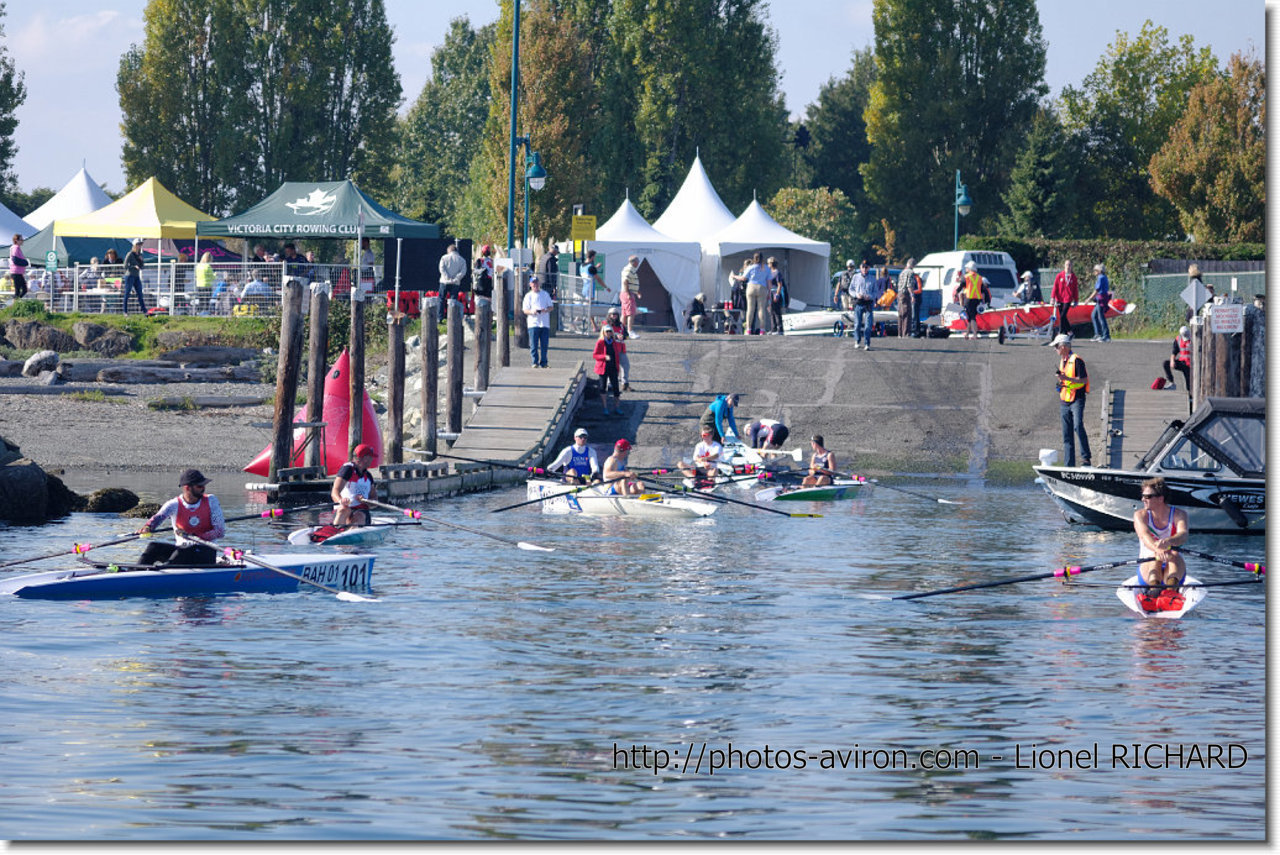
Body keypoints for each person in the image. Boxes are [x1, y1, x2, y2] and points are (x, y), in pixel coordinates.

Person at [136, 469, 226, 566]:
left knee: (183, 551)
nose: (203, 488)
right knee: (153, 547)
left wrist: (195, 536)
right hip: (181, 550)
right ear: (187, 488)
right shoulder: (173, 504)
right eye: (199, 486)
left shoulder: (211, 501)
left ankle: (166, 571)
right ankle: (134, 573)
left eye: (204, 485)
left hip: (205, 551)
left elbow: (220, 531)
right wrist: (148, 527)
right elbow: (158, 518)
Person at [1133, 477, 1189, 611]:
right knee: (1155, 557)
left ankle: (1169, 593)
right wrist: (1157, 549)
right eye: (1143, 496)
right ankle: (1154, 592)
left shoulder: (1179, 514)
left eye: (1147, 496)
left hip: (1173, 566)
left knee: (1173, 555)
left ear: (1160, 498)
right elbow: (1144, 535)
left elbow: (1183, 534)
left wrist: (1169, 541)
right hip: (1148, 568)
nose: (1143, 500)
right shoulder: (1140, 515)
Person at [1052, 333, 1091, 468]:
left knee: (1078, 426)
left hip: (1077, 399)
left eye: (1056, 346)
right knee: (1066, 434)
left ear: (1063, 347)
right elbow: (1066, 379)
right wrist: (1060, 382)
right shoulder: (1063, 360)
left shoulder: (1077, 360)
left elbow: (1084, 380)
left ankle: (1086, 459)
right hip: (1064, 400)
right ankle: (1069, 465)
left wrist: (1066, 380)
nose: (1055, 349)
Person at [332, 443, 378, 527]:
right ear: (365, 458)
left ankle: (349, 533)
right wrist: (340, 500)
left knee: (359, 516)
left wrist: (366, 501)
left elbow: (375, 501)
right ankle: (335, 531)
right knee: (343, 510)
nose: (372, 459)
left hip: (361, 510)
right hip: (343, 509)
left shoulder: (368, 476)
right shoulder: (347, 469)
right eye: (370, 457)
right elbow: (335, 491)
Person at [733, 251, 771, 334]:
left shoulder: (751, 267)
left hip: (751, 287)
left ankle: (748, 329)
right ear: (762, 258)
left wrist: (734, 276)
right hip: (762, 288)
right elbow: (769, 282)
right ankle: (762, 330)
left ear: (754, 258)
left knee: (750, 309)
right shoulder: (766, 268)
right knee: (761, 310)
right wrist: (769, 293)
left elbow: (743, 278)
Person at [523, 275, 554, 368]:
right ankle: (534, 362)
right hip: (533, 323)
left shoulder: (545, 294)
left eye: (536, 282)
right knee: (534, 345)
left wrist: (545, 310)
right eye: (533, 283)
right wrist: (532, 311)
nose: (535, 285)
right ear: (530, 284)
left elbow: (551, 307)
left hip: (544, 323)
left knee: (544, 345)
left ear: (539, 283)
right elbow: (525, 310)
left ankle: (544, 362)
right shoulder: (528, 296)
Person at [593, 324, 622, 415]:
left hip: (613, 367)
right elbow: (595, 355)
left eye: (610, 331)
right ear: (603, 333)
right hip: (603, 368)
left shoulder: (614, 342)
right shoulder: (600, 342)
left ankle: (617, 407)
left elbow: (617, 355)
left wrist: (618, 369)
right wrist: (604, 357)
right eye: (607, 331)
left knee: (616, 388)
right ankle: (605, 408)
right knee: (603, 387)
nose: (609, 333)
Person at [847, 260, 876, 349]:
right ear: (860, 268)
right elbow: (850, 289)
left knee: (868, 325)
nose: (864, 268)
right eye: (863, 267)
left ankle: (867, 343)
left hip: (868, 304)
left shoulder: (872, 278)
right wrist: (856, 294)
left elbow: (876, 292)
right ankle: (857, 340)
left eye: (866, 267)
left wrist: (870, 296)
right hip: (859, 303)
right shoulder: (856, 277)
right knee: (857, 324)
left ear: (869, 268)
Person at [604, 307, 632, 391]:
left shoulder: (621, 325)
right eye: (612, 314)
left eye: (615, 314)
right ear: (609, 315)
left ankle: (625, 384)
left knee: (626, 366)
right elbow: (606, 334)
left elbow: (627, 335)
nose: (614, 316)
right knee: (611, 367)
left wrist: (624, 336)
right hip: (611, 349)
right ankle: (610, 385)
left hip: (621, 349)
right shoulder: (606, 324)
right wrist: (616, 336)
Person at [1051, 259, 1079, 339]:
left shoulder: (1073, 277)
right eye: (1067, 264)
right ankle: (1069, 331)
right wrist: (1052, 297)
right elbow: (1055, 287)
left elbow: (1075, 290)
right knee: (1062, 316)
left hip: (1068, 299)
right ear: (1064, 265)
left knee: (1063, 315)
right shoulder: (1059, 275)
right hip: (1059, 298)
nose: (1068, 266)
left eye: (1070, 265)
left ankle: (1061, 331)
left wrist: (1076, 300)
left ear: (1071, 266)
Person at [957, 260, 984, 341]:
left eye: (966, 268)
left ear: (969, 268)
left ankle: (975, 335)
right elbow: (982, 289)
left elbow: (961, 286)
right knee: (970, 317)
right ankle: (967, 333)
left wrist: (956, 293)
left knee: (972, 318)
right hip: (977, 299)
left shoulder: (966, 277)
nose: (965, 269)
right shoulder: (979, 277)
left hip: (969, 299)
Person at [898, 258, 922, 337]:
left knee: (901, 314)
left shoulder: (902, 272)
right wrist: (912, 295)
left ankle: (900, 333)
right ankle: (905, 334)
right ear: (913, 265)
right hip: (905, 294)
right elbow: (909, 285)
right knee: (907, 314)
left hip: (899, 294)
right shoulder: (911, 272)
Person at [619, 254, 642, 338]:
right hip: (627, 293)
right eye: (638, 261)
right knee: (631, 312)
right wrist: (628, 293)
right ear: (634, 262)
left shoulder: (629, 269)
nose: (638, 263)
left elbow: (631, 282)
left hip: (626, 293)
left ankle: (621, 330)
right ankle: (629, 331)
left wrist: (637, 292)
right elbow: (625, 281)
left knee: (625, 313)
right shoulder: (629, 270)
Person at [1163, 325, 1192, 391]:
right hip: (1182, 362)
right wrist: (1172, 361)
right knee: (1166, 363)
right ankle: (1172, 383)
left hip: (1190, 365)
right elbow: (1174, 352)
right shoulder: (1178, 339)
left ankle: (1191, 398)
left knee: (1189, 386)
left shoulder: (1194, 339)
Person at [123, 238, 147, 314]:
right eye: (138, 244)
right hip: (129, 276)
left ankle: (145, 311)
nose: (139, 246)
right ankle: (125, 311)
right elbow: (125, 266)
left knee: (140, 294)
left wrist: (141, 261)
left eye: (140, 245)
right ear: (134, 245)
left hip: (136, 276)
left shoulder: (140, 255)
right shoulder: (130, 254)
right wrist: (133, 266)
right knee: (127, 293)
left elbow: (142, 266)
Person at [1090, 263, 1111, 342]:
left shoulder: (1101, 278)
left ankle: (1106, 335)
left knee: (1100, 317)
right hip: (1101, 298)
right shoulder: (1102, 277)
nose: (1094, 272)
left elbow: (1097, 290)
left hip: (1101, 299)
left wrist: (1089, 298)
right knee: (1094, 315)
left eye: (1095, 270)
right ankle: (1098, 334)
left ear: (1099, 271)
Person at [767, 257, 788, 334]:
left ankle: (780, 328)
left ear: (771, 264)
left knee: (777, 311)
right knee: (771, 311)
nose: (768, 264)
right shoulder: (770, 273)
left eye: (768, 263)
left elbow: (780, 284)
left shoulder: (777, 273)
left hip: (775, 292)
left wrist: (777, 294)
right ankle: (773, 328)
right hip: (771, 293)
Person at [7, 233, 30, 299]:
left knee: (24, 290)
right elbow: (15, 260)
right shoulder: (15, 248)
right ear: (16, 240)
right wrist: (25, 262)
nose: (22, 241)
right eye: (21, 239)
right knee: (18, 291)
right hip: (16, 272)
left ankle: (15, 303)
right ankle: (11, 305)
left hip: (18, 273)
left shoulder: (17, 248)